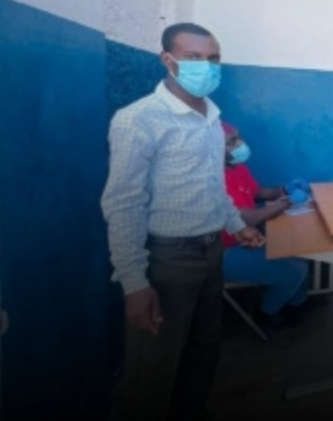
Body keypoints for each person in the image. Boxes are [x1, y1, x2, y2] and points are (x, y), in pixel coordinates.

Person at [101, 23, 264, 421]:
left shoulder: (212, 119)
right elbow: (124, 204)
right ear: (167, 60)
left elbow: (214, 186)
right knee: (152, 371)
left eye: (213, 59)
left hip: (211, 252)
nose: (206, 66)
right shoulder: (138, 120)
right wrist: (134, 282)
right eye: (193, 58)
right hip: (168, 260)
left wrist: (235, 224)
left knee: (203, 354)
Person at [220, 121, 311, 329]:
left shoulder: (237, 167)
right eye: (231, 142)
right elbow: (248, 218)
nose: (240, 143)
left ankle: (296, 305)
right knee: (296, 270)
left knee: (300, 254)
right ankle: (265, 314)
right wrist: (287, 202)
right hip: (226, 251)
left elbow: (257, 192)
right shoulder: (215, 178)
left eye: (238, 137)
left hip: (252, 237)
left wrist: (284, 189)